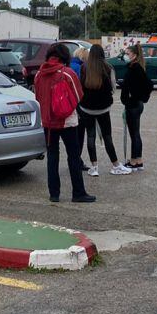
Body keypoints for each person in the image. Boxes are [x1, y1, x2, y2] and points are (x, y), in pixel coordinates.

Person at [34, 43, 94, 202]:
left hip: (48, 122)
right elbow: (78, 95)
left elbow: (38, 96)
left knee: (52, 157)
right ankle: (78, 193)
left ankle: (54, 194)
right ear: (65, 56)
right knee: (73, 156)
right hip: (67, 121)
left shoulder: (39, 74)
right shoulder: (67, 73)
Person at [77, 44, 132, 175]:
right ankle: (115, 165)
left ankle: (94, 167)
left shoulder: (84, 67)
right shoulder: (108, 67)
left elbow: (80, 87)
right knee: (107, 136)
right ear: (102, 54)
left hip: (86, 108)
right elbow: (113, 87)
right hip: (103, 108)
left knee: (91, 136)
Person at [119, 43, 152, 169]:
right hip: (134, 104)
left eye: (127, 54)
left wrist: (138, 97)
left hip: (133, 104)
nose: (125, 56)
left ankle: (134, 161)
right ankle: (138, 159)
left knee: (134, 133)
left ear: (134, 55)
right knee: (135, 133)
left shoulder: (136, 68)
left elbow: (148, 85)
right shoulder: (134, 67)